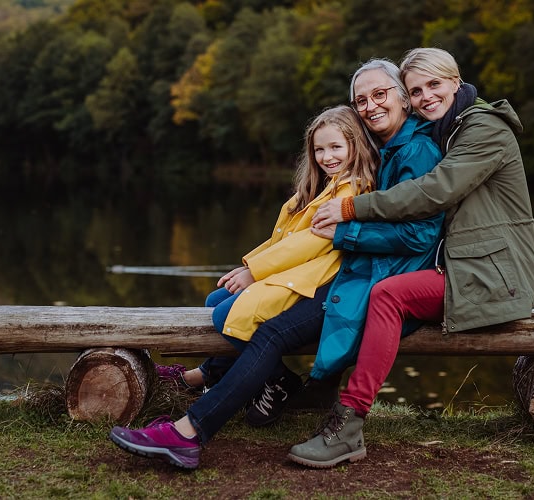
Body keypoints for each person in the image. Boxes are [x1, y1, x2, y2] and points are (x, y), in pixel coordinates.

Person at [109, 59, 444, 470]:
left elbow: (414, 235)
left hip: (373, 280)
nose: (372, 106)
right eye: (362, 100)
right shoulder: (385, 152)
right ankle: (232, 394)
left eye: (380, 95)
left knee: (268, 333)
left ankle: (189, 431)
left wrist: (339, 233)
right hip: (355, 274)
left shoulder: (413, 151)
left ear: (403, 99)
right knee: (250, 319)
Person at [287, 47, 534, 468]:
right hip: (463, 266)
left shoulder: (485, 130)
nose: (425, 97)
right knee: (364, 288)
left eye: (434, 85)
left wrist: (353, 210)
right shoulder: (447, 128)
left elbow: (435, 190)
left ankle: (348, 424)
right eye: (416, 90)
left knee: (389, 294)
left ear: (456, 82)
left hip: (494, 275)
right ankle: (318, 386)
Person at [156, 104, 379, 409]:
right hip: (292, 273)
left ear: (356, 147)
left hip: (313, 282)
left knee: (225, 316)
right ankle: (211, 374)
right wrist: (248, 265)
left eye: (336, 147)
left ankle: (279, 379)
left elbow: (309, 244)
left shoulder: (350, 192)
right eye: (319, 149)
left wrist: (255, 273)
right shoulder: (321, 187)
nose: (328, 157)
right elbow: (282, 239)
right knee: (215, 301)